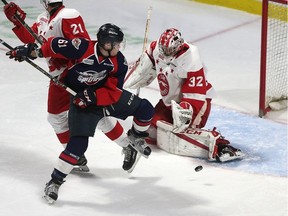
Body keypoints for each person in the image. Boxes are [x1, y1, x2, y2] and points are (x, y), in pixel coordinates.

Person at [7, 23, 154, 204]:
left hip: (103, 97)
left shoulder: (119, 62)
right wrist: (33, 51)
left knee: (146, 108)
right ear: (106, 44)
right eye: (116, 44)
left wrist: (93, 95)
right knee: (78, 145)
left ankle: (136, 137)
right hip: (81, 102)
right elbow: (54, 44)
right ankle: (54, 182)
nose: (119, 48)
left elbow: (114, 90)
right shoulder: (81, 47)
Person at [3, 0, 132, 172]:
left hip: (76, 74)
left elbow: (81, 47)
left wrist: (47, 54)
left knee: (95, 114)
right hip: (60, 77)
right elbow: (33, 41)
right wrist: (18, 23)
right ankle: (77, 157)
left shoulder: (68, 15)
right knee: (56, 117)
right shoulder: (43, 19)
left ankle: (128, 146)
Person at [124, 28, 245, 163]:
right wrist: (139, 71)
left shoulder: (191, 57)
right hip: (169, 103)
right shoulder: (157, 48)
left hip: (196, 103)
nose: (165, 52)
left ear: (178, 47)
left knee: (182, 137)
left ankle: (221, 146)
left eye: (169, 50)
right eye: (163, 48)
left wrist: (184, 112)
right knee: (149, 131)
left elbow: (195, 94)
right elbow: (147, 61)